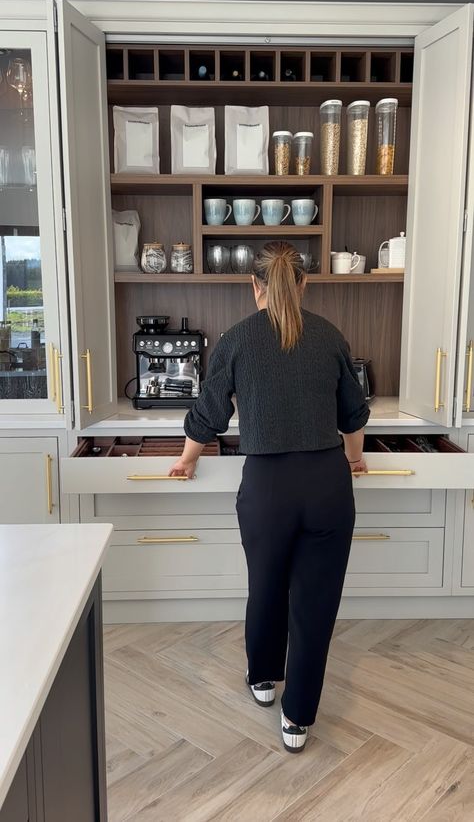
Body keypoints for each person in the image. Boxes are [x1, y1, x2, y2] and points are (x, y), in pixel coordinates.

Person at [169, 241, 370, 753]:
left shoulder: (236, 341)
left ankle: (263, 679)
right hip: (326, 484)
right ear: (303, 285)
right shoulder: (328, 335)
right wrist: (353, 458)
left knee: (266, 585)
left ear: (253, 285)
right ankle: (297, 719)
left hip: (266, 488)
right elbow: (353, 415)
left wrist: (189, 457)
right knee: (315, 605)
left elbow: (209, 415)